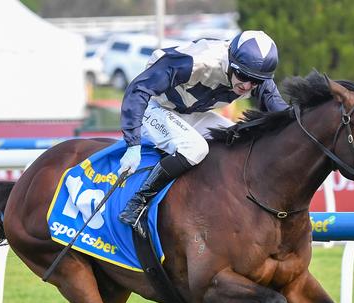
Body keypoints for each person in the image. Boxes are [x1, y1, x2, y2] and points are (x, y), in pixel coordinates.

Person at [117, 30, 289, 229]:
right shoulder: (196, 62)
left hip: (188, 112)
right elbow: (138, 89)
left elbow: (282, 115)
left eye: (256, 81)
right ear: (231, 62)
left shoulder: (255, 75)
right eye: (243, 76)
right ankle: (137, 203)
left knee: (241, 140)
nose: (248, 85)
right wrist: (133, 143)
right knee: (194, 148)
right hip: (152, 106)